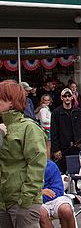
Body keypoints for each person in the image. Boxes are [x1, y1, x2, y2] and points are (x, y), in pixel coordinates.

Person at [0, 80, 47, 227]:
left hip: (23, 202)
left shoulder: (28, 128)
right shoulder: (1, 128)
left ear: (11, 102)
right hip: (3, 201)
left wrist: (26, 199)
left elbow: (37, 164)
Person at [50, 88, 81, 173]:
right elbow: (54, 132)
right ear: (61, 98)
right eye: (64, 96)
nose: (67, 98)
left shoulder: (78, 111)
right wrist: (55, 149)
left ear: (72, 97)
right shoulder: (56, 113)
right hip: (62, 148)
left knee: (77, 172)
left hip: (77, 147)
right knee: (62, 172)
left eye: (69, 96)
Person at [39, 160, 75, 228]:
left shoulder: (51, 165)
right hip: (35, 199)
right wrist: (40, 192)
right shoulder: (24, 167)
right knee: (41, 214)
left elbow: (58, 190)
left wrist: (44, 194)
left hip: (54, 198)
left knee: (66, 210)